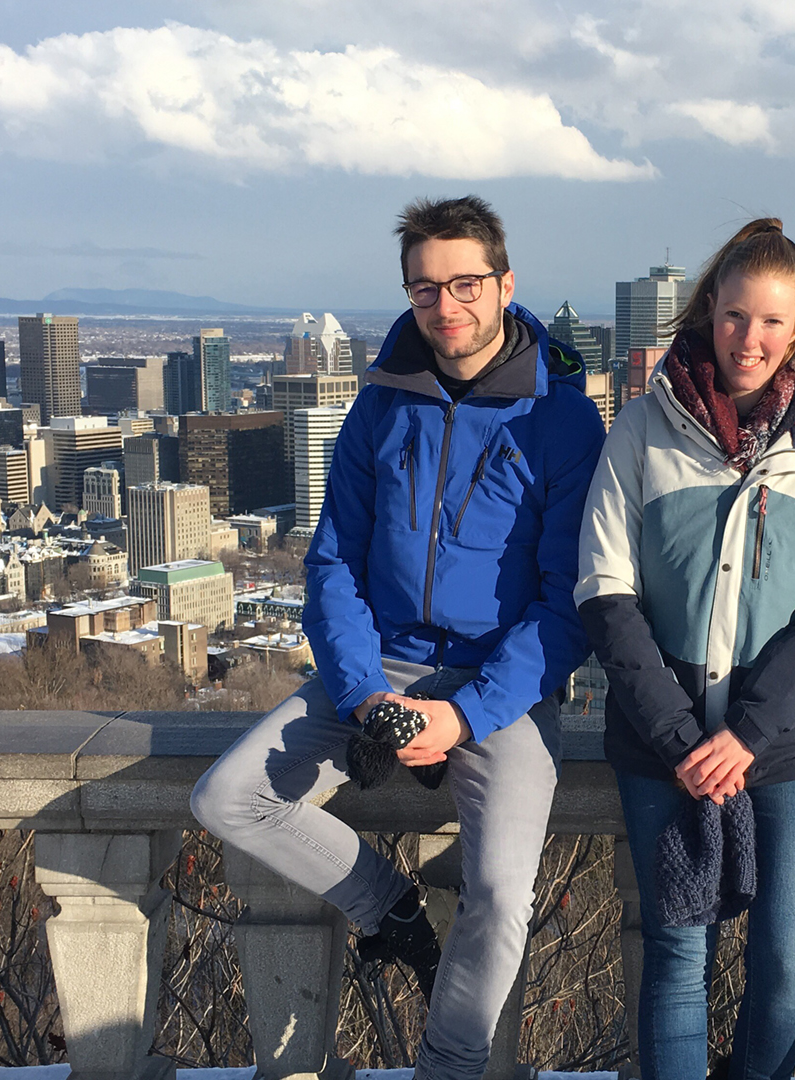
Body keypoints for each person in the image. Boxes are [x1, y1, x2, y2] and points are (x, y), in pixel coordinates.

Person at [190, 195, 606, 1080]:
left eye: (465, 285)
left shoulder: (562, 420)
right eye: (425, 290)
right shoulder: (381, 405)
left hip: (501, 688)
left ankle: (448, 1067)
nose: (445, 308)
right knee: (228, 798)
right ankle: (391, 909)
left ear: (505, 283)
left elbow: (566, 604)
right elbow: (333, 560)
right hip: (381, 666)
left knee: (499, 897)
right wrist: (361, 691)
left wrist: (467, 717)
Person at [576, 219, 795, 1080]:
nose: (751, 340)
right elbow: (604, 589)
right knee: (677, 959)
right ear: (709, 310)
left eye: (773, 322)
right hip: (658, 741)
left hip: (783, 748)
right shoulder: (641, 429)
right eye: (736, 316)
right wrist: (681, 739)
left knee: (783, 967)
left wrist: (746, 733)